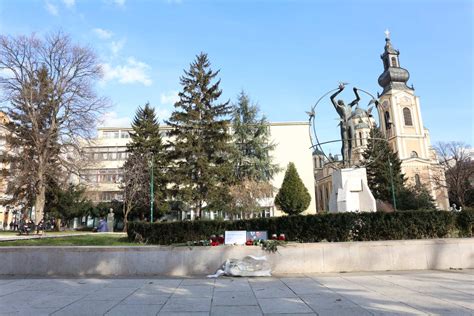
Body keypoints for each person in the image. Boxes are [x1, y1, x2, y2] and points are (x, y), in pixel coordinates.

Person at [330, 83, 360, 166]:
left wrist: (355, 91)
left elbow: (358, 98)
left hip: (351, 124)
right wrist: (340, 90)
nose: (341, 100)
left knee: (351, 143)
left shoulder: (349, 106)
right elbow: (331, 98)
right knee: (345, 143)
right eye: (339, 101)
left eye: (342, 100)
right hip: (344, 124)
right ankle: (344, 161)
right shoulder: (338, 107)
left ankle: (350, 161)